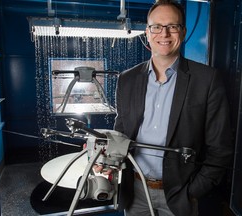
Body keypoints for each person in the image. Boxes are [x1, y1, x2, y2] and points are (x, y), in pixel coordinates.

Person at [95, 0, 233, 215]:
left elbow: (220, 148)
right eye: (157, 27)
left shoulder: (207, 80)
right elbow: (121, 134)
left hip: (181, 194)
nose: (164, 34)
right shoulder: (126, 79)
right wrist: (103, 156)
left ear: (183, 31)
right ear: (147, 33)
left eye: (173, 26)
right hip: (135, 190)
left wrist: (193, 192)